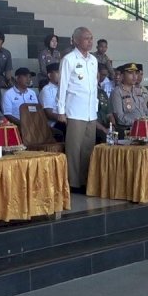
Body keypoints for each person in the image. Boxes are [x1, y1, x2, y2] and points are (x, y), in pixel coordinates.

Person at [56, 26, 98, 191]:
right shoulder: (69, 59)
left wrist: (95, 107)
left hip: (90, 111)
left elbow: (94, 86)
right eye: (87, 38)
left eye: (91, 38)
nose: (90, 41)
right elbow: (63, 86)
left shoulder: (93, 60)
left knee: (88, 147)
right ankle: (73, 182)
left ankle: (86, 180)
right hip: (75, 110)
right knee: (74, 148)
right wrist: (61, 110)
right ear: (77, 40)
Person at [110, 63, 148, 134]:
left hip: (144, 128)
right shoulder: (117, 92)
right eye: (131, 73)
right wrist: (138, 123)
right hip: (128, 130)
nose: (135, 76)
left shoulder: (138, 90)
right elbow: (119, 117)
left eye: (136, 73)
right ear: (122, 76)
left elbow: (145, 110)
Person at [40, 62, 65, 137]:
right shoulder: (47, 90)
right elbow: (49, 114)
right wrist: (66, 120)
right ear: (50, 75)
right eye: (58, 72)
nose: (61, 75)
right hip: (55, 124)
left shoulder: (64, 88)